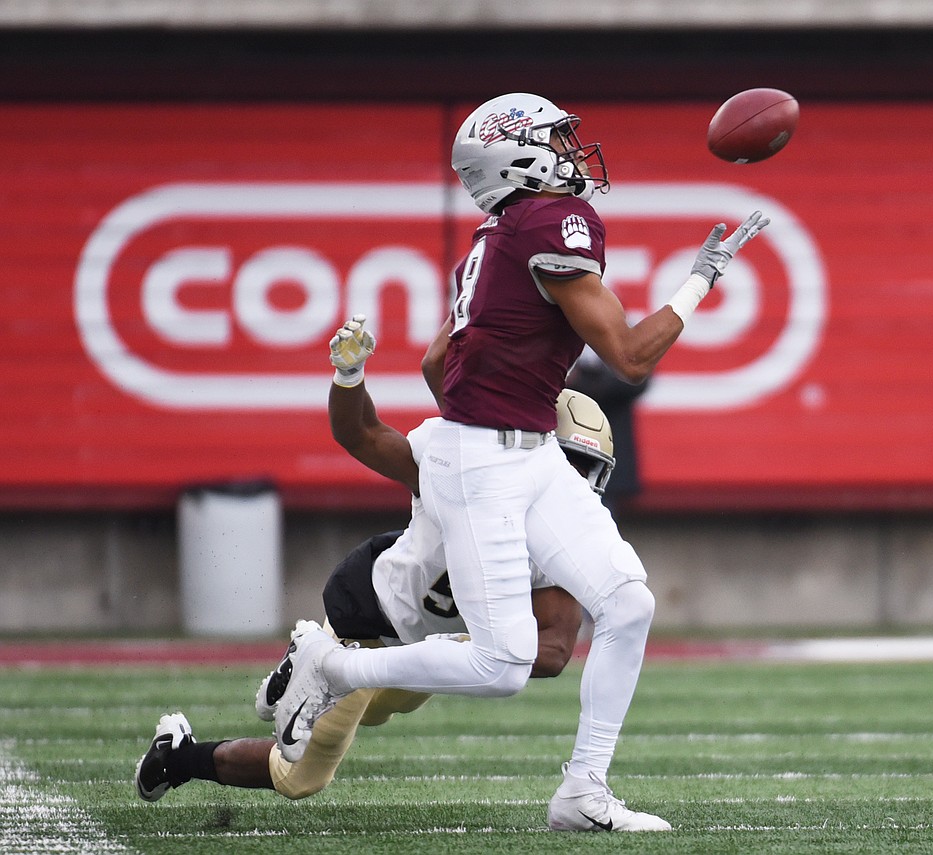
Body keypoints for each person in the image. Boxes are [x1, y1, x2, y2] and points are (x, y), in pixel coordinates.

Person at [274, 92, 768, 833]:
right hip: (491, 464)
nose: (573, 155)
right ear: (520, 157)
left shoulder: (495, 235)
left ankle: (583, 791)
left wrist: (487, 417)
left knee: (629, 603)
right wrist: (701, 281)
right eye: (558, 142)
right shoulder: (546, 220)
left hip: (526, 451)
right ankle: (330, 666)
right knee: (504, 664)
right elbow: (630, 358)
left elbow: (439, 361)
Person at [133, 386, 614, 803]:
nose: (576, 485)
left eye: (587, 471)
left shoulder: (560, 541)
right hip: (371, 618)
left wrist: (480, 648)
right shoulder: (459, 471)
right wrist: (349, 376)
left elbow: (553, 652)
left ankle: (298, 667)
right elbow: (358, 433)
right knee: (300, 777)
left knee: (386, 710)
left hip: (426, 643)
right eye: (570, 465)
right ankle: (180, 756)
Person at [567, 346, 649, 519]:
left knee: (600, 516)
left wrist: (585, 381)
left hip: (609, 446)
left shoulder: (624, 332)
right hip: (566, 447)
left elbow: (639, 379)